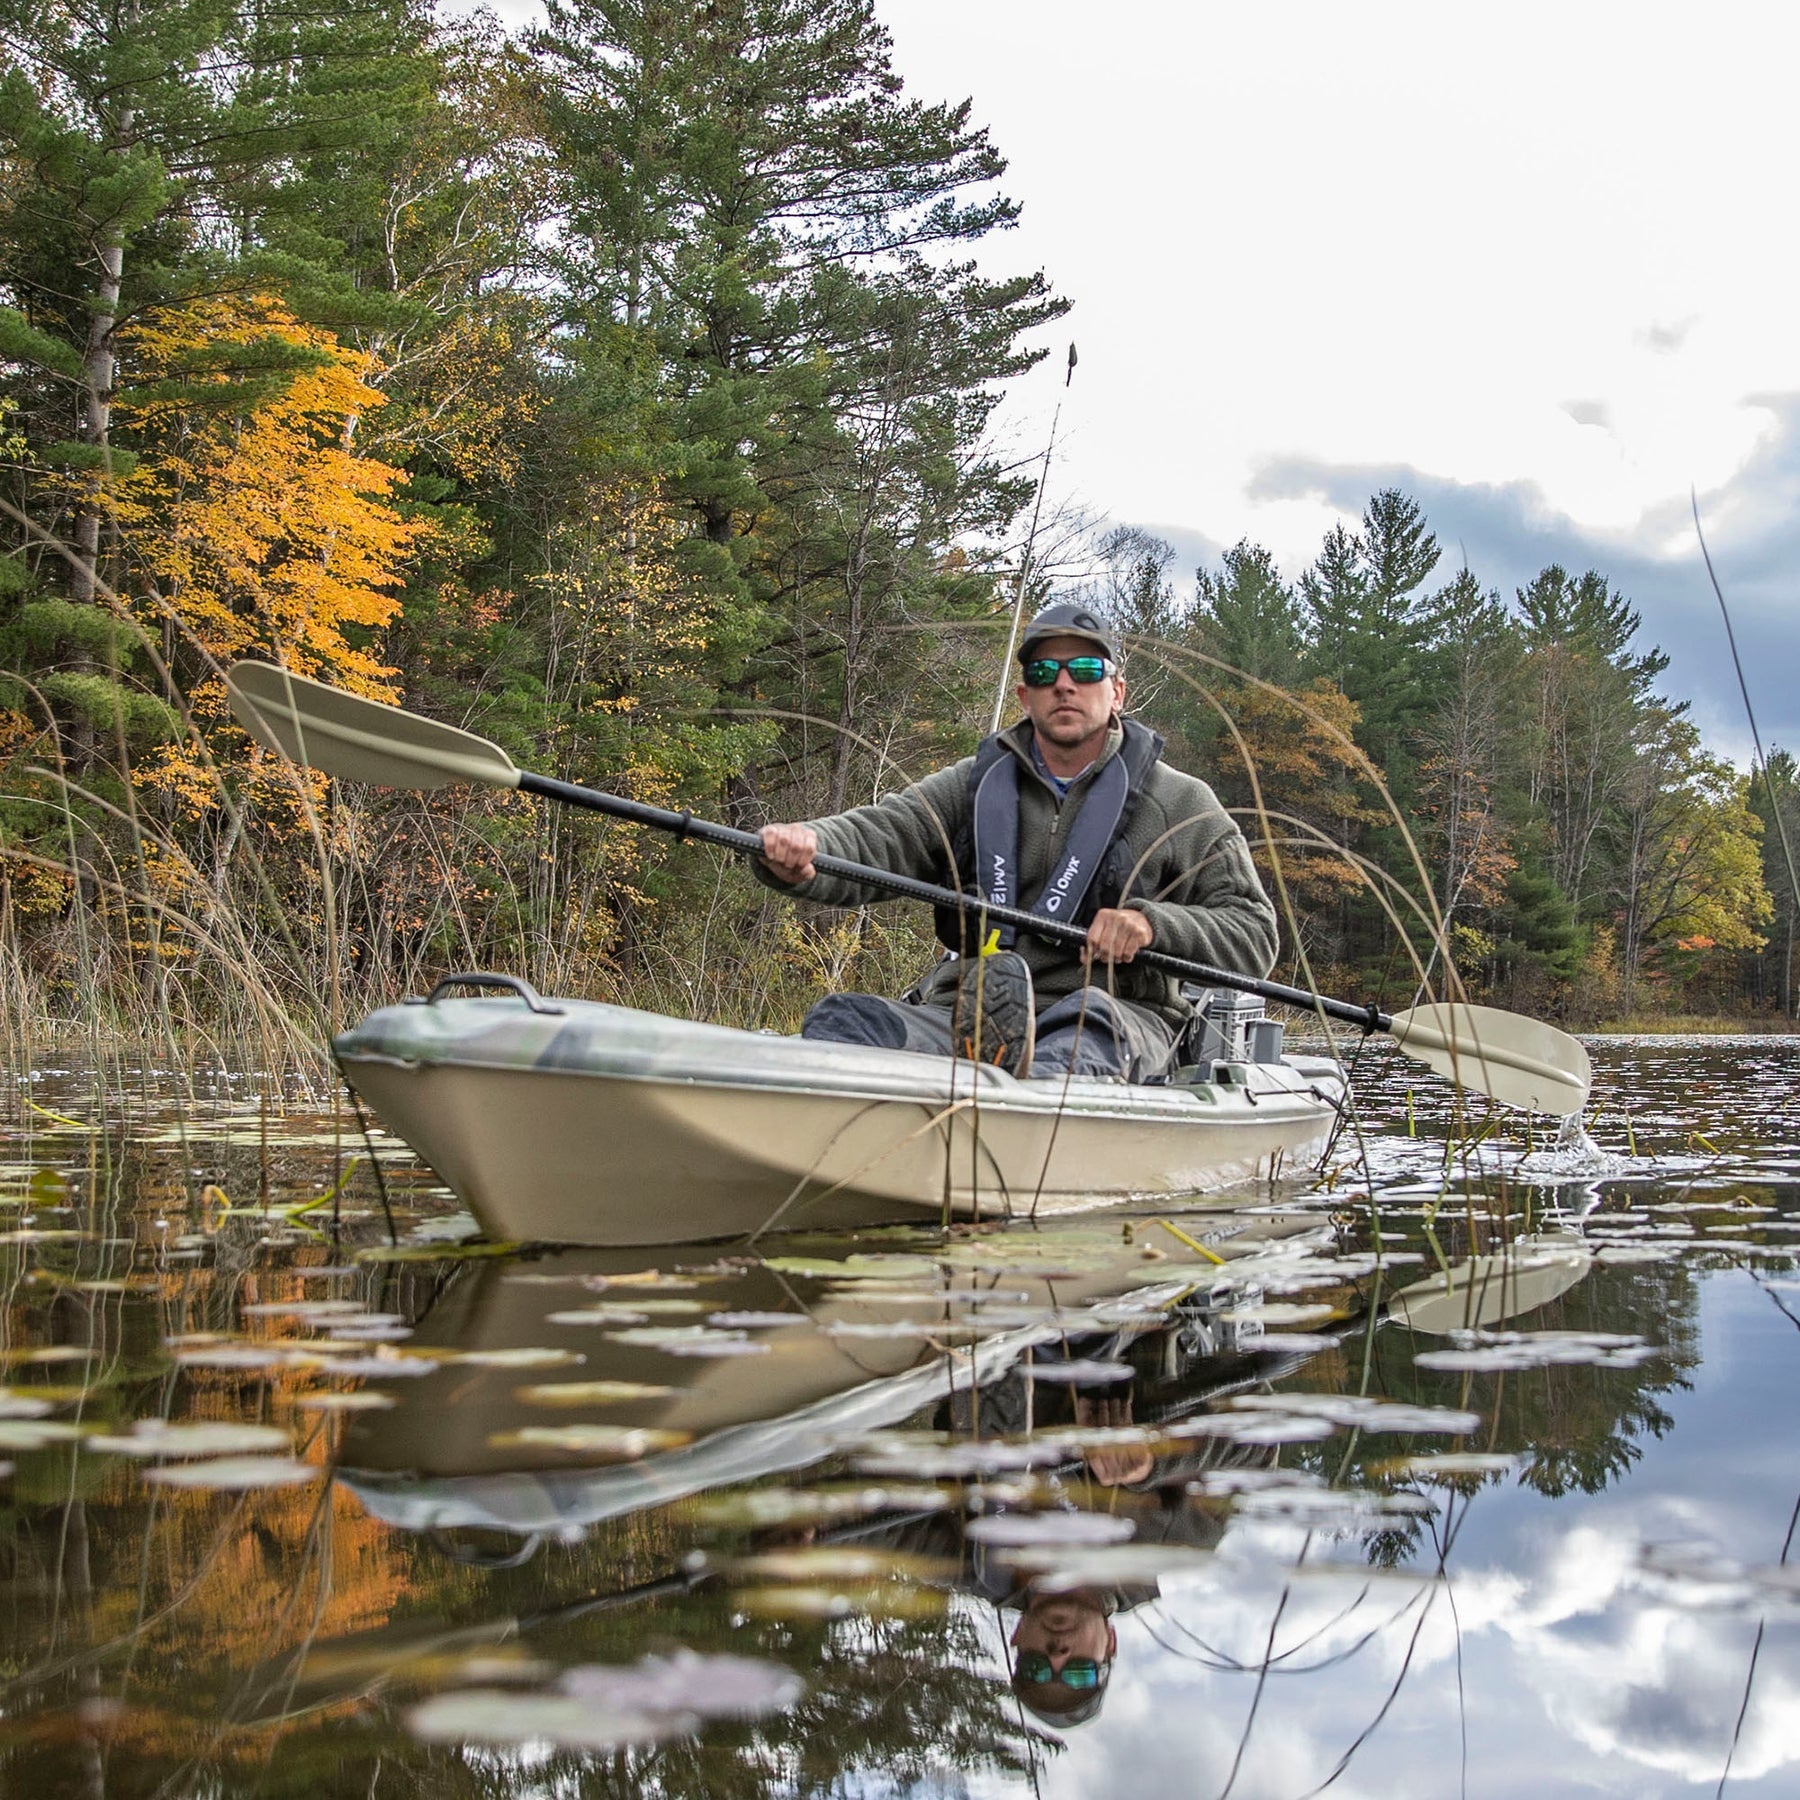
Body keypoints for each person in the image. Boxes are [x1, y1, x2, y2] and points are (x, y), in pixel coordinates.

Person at [756, 601, 1278, 1082]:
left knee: (1075, 1048)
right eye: (1045, 673)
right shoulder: (972, 785)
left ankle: (1014, 1115)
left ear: (1117, 691)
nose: (1064, 685)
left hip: (1114, 1018)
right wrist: (806, 847)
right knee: (843, 1021)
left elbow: (1254, 934)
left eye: (1086, 670)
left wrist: (1151, 925)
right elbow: (882, 834)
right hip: (965, 1015)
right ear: (1026, 696)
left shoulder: (1182, 801)